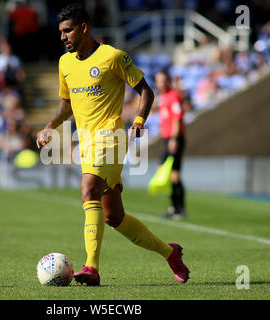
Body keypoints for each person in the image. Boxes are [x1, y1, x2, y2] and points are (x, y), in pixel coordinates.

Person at [36, 3, 190, 286]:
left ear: (84, 28)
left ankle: (91, 268)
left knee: (88, 188)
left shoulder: (112, 57)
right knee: (113, 216)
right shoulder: (64, 64)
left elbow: (145, 89)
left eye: (68, 30)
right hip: (87, 143)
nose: (63, 37)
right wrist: (50, 126)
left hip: (111, 136)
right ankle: (170, 252)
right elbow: (67, 103)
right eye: (60, 32)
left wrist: (140, 118)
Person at [155, 70, 187, 219]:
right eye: (158, 81)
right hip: (168, 138)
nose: (160, 84)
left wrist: (174, 139)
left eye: (163, 80)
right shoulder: (164, 97)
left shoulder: (173, 96)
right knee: (168, 174)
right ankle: (175, 207)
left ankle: (179, 208)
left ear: (168, 81)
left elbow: (176, 118)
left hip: (175, 138)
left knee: (173, 174)